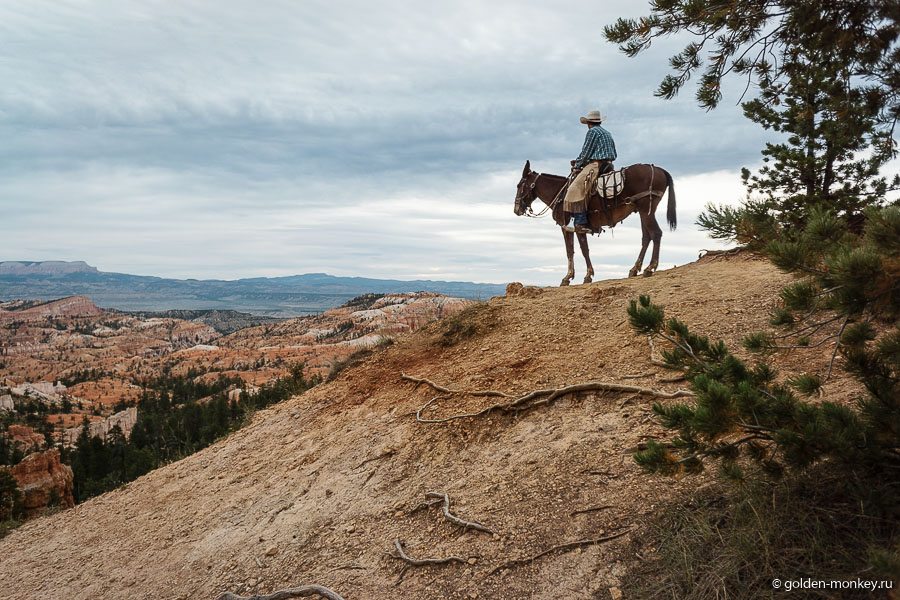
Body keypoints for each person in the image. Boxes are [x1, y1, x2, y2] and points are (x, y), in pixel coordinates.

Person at [562, 109, 617, 233]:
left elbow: (586, 152)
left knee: (575, 188)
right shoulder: (607, 133)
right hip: (608, 164)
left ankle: (580, 222)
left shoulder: (592, 132)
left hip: (596, 165)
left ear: (588, 123)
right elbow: (613, 153)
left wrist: (577, 164)